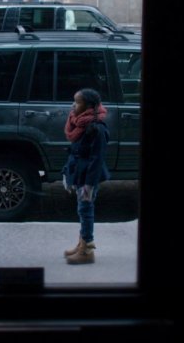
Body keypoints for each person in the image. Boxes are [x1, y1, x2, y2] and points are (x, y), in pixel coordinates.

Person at [61, 88, 109, 265]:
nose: (73, 105)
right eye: (74, 101)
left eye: (78, 102)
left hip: (88, 178)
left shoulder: (97, 128)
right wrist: (67, 172)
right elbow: (75, 151)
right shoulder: (80, 124)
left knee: (85, 210)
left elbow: (96, 160)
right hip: (79, 174)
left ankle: (87, 251)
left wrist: (89, 185)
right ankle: (81, 244)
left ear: (89, 106)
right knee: (82, 210)